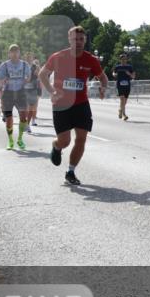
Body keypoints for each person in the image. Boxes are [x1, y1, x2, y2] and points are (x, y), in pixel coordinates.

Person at [39, 26, 107, 185]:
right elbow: (42, 74)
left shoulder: (91, 59)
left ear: (85, 41)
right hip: (61, 105)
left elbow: (102, 77)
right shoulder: (58, 57)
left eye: (81, 39)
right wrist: (51, 91)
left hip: (81, 104)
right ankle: (56, 146)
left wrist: (103, 87)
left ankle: (71, 171)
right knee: (65, 141)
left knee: (81, 139)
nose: (78, 42)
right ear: (69, 39)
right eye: (75, 39)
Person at [0, 45, 31, 149]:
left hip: (20, 92)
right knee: (9, 119)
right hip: (8, 93)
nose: (14, 54)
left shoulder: (24, 65)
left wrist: (27, 80)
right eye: (12, 52)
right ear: (9, 54)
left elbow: (29, 76)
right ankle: (10, 140)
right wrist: (2, 81)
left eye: (16, 52)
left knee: (24, 117)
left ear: (19, 53)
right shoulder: (4, 65)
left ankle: (20, 139)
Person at [112, 53, 136, 120]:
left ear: (126, 59)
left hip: (127, 86)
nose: (124, 60)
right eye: (122, 59)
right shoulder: (117, 67)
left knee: (124, 101)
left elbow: (133, 76)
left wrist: (129, 74)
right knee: (122, 99)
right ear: (120, 60)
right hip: (120, 85)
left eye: (125, 59)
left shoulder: (130, 67)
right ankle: (124, 114)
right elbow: (113, 73)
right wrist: (114, 74)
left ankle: (120, 110)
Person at [24, 54, 41, 126]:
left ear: (32, 58)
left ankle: (33, 120)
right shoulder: (23, 66)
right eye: (27, 58)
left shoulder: (35, 67)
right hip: (25, 89)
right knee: (27, 106)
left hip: (34, 88)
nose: (29, 59)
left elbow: (39, 76)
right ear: (25, 59)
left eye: (30, 58)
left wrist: (38, 71)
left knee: (34, 106)